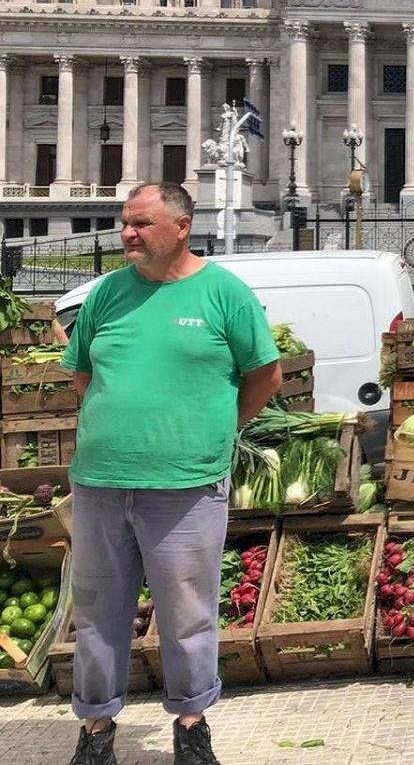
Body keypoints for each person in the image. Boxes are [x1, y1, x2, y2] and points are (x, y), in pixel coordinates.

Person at [62, 183, 283, 765]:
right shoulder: (108, 294)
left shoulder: (224, 293)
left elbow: (266, 376)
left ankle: (191, 726)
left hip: (186, 486)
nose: (127, 234)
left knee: (187, 614)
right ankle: (95, 731)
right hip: (100, 483)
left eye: (141, 223)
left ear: (182, 226)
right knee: (97, 614)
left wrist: (212, 431)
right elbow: (82, 373)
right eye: (124, 223)